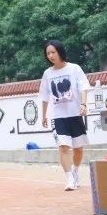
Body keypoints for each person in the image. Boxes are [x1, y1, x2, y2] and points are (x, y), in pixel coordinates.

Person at [39, 40, 91, 191]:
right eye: (48, 53)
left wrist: (83, 104)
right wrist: (44, 116)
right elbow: (44, 96)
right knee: (63, 147)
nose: (50, 56)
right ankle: (69, 178)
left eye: (53, 52)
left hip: (74, 113)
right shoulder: (47, 74)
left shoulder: (74, 69)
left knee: (78, 149)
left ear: (60, 52)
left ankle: (75, 172)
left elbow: (83, 87)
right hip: (58, 116)